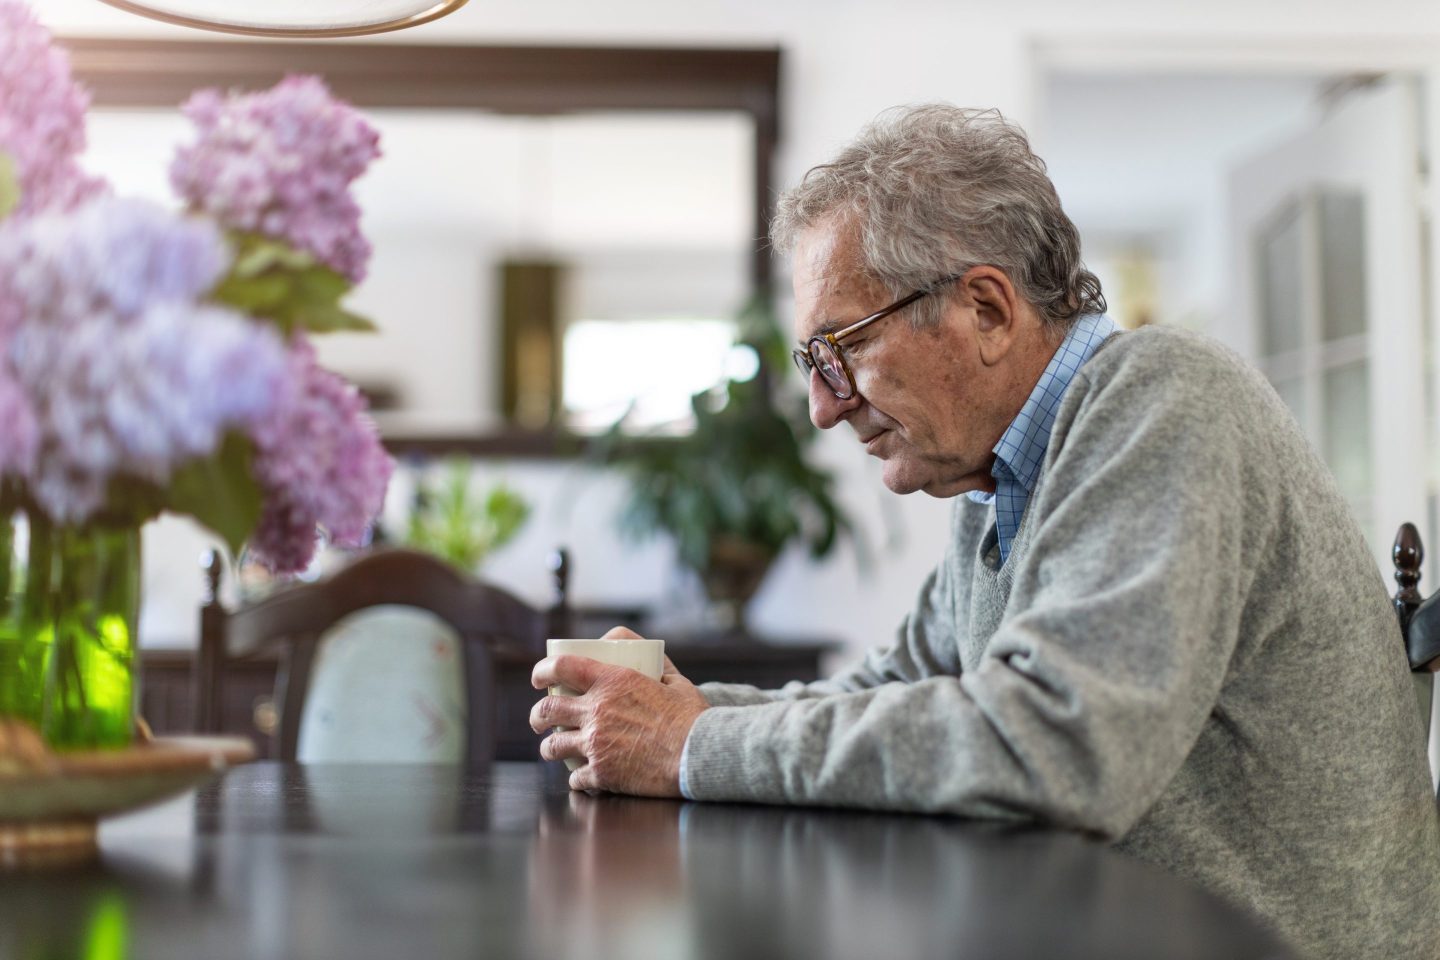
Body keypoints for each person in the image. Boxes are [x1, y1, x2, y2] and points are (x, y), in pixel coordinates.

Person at [531, 104, 1440, 959]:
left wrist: (689, 744)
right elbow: (883, 695)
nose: (820, 406)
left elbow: (1059, 746)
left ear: (988, 311)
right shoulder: (1002, 484)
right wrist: (678, 711)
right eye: (812, 362)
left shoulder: (1166, 398)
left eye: (839, 348)